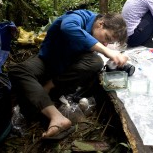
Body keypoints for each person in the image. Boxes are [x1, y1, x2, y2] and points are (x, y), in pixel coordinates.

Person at [8, 10, 128, 139]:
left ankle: (50, 87)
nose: (105, 43)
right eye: (107, 38)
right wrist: (106, 51)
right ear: (100, 24)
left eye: (109, 42)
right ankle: (56, 116)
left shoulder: (96, 31)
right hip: (47, 61)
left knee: (96, 61)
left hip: (67, 67)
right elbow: (68, 27)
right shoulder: (79, 17)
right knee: (18, 71)